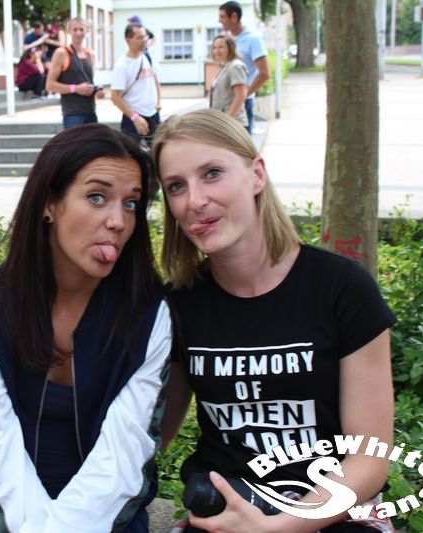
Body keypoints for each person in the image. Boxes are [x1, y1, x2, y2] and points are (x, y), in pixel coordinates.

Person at [154, 110, 396, 532]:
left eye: (212, 173)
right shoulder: (178, 304)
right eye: (176, 185)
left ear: (257, 175)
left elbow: (369, 458)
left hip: (333, 509)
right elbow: (149, 433)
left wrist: (278, 527)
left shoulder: (342, 289)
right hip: (227, 508)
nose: (194, 200)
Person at [0, 123, 172, 532]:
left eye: (131, 204)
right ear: (49, 203)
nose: (118, 221)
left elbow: (123, 457)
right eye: (97, 197)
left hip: (106, 516)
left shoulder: (149, 314)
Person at [218, 1, 270, 134]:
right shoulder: (226, 39)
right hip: (224, 103)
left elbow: (264, 74)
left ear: (234, 17)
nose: (219, 21)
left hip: (242, 104)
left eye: (222, 17)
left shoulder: (253, 39)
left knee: (242, 144)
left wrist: (244, 95)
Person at [46, 17, 106, 129]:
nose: (78, 33)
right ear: (69, 31)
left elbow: (88, 83)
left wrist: (97, 92)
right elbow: (50, 85)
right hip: (72, 114)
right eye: (75, 29)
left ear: (86, 31)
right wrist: (76, 88)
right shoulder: (61, 53)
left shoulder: (90, 54)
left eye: (81, 29)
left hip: (91, 111)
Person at [111, 24, 161, 146]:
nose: (144, 40)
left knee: (159, 152)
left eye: (145, 37)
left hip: (153, 115)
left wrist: (158, 104)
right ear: (128, 40)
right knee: (130, 153)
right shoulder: (122, 65)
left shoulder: (147, 57)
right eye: (139, 37)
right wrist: (134, 117)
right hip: (133, 118)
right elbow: (115, 97)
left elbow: (156, 81)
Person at [208, 34, 248, 127]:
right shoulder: (223, 66)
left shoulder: (236, 67)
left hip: (233, 124)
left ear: (230, 48)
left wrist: (227, 120)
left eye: (221, 47)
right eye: (214, 48)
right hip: (221, 122)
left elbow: (240, 96)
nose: (217, 51)